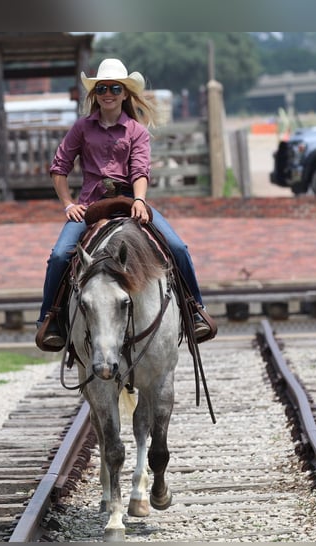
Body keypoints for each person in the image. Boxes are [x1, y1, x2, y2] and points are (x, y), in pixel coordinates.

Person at [37, 58, 211, 350]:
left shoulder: (136, 130)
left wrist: (140, 200)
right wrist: (68, 204)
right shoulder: (81, 128)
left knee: (178, 247)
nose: (108, 93)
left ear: (125, 93)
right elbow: (59, 167)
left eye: (115, 88)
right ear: (95, 93)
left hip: (131, 203)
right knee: (58, 257)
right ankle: (50, 319)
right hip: (90, 206)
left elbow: (141, 170)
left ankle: (194, 311)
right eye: (102, 88)